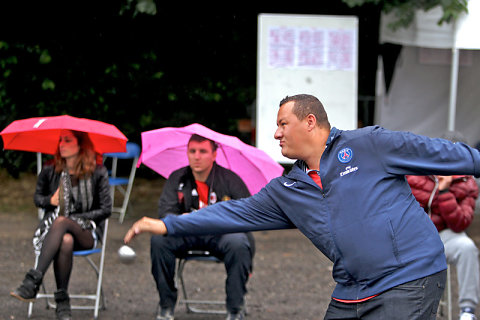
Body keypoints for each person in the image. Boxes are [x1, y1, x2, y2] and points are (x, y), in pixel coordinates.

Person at [125, 94, 480, 320]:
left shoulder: (368, 144)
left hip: (409, 278)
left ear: (310, 121)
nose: (277, 134)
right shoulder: (287, 189)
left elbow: (448, 155)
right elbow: (234, 212)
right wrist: (169, 225)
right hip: (351, 289)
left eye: (283, 124)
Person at [150, 134, 255, 320]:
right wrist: (184, 219)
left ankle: (235, 309)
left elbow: (247, 215)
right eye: (192, 151)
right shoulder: (177, 178)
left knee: (239, 242)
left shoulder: (230, 180)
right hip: (186, 233)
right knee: (159, 240)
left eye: (203, 151)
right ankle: (166, 305)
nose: (197, 156)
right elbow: (165, 214)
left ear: (214, 155)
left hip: (220, 234)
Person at [10, 129, 111, 320]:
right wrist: (51, 201)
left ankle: (33, 280)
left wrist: (76, 219)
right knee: (65, 239)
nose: (61, 144)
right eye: (60, 141)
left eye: (67, 140)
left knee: (63, 222)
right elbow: (38, 199)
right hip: (54, 233)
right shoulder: (50, 169)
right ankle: (63, 302)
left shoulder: (98, 172)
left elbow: (106, 209)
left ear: (80, 144)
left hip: (87, 231)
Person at [407, 131, 480, 320]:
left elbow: (461, 223)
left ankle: (467, 311)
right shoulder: (416, 173)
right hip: (416, 238)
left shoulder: (467, 183)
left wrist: (445, 191)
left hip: (447, 235)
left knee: (467, 247)